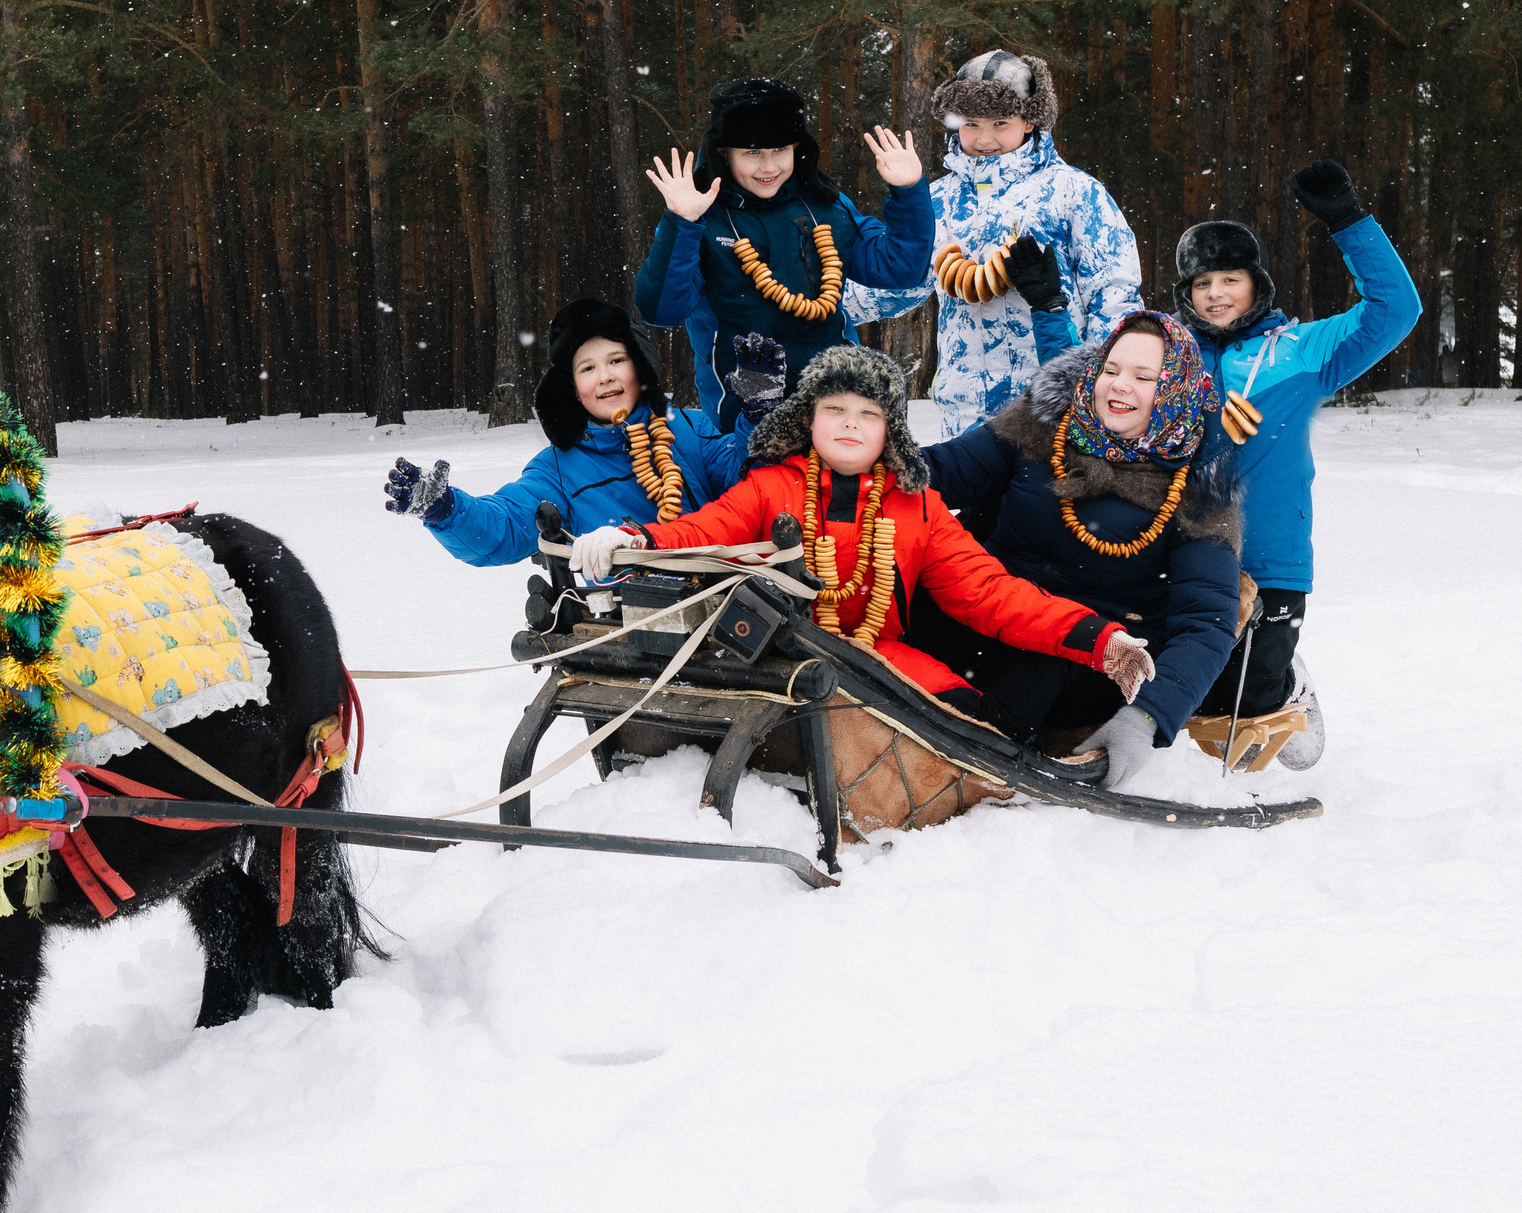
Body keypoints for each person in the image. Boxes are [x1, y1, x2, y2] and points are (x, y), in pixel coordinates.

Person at [569, 347, 1156, 772]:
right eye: (836, 409)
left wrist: (1098, 638)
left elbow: (990, 593)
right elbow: (702, 531)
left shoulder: (918, 507)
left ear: (890, 435)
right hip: (782, 658)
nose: (851, 422)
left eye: (869, 414)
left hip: (881, 658)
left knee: (974, 732)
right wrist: (633, 539)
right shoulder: (768, 486)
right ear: (809, 420)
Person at [912, 313, 1242, 792]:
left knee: (1031, 672)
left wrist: (1148, 719)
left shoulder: (1200, 487)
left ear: (1175, 389)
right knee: (903, 606)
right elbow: (946, 468)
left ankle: (950, 777)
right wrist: (854, 455)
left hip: (1093, 653)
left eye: (1145, 377)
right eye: (1111, 369)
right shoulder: (1047, 422)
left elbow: (1206, 623)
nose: (1120, 386)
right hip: (995, 608)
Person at [1175, 159, 1423, 769]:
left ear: (1256, 284)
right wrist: (1050, 303)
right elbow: (1093, 390)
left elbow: (1395, 310)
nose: (1216, 295)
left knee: (1252, 707)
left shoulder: (1302, 350)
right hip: (1186, 547)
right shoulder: (1165, 354)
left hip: (1271, 548)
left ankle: (1286, 686)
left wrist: (1348, 220)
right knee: (1201, 701)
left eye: (1229, 279)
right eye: (1202, 284)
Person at [845, 50, 1143, 438]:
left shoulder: (1074, 192)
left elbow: (1114, 294)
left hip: (1052, 401)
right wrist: (818, 305)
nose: (984, 139)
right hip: (963, 407)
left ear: (1029, 120)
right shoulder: (938, 200)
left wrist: (1105, 386)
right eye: (971, 123)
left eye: (1000, 123)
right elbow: (900, 283)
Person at [633, 76, 935, 420]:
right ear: (724, 154)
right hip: (743, 414)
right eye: (752, 152)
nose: (769, 167)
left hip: (834, 406)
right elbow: (660, 311)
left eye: (780, 150)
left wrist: (909, 190)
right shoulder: (698, 216)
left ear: (797, 149)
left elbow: (901, 268)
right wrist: (681, 223)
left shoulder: (826, 206)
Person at [384, 297, 771, 567]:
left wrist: (756, 411)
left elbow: (749, 477)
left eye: (616, 360)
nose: (604, 377)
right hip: (625, 623)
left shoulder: (690, 428)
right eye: (587, 368)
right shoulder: (558, 467)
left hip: (722, 594)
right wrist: (447, 509)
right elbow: (505, 526)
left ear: (640, 369)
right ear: (571, 387)